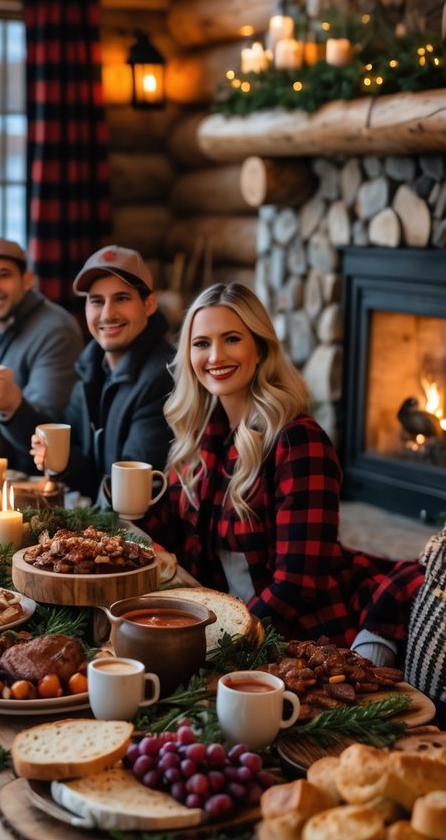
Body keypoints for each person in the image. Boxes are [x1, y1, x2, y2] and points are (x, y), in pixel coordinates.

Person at [145, 282, 423, 664]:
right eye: (201, 343)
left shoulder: (297, 440)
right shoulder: (203, 434)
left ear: (258, 348)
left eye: (231, 339)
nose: (215, 356)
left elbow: (298, 585)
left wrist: (225, 639)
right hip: (232, 624)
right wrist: (127, 498)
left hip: (305, 635)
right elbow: (179, 536)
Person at [27, 245, 174, 502]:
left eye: (122, 298)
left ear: (149, 304)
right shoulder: (90, 367)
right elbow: (72, 450)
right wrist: (55, 456)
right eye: (97, 301)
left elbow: (128, 495)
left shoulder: (163, 377)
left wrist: (65, 464)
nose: (108, 314)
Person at [0, 238, 83, 472]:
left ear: (27, 280)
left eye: (4, 275)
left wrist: (11, 405)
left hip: (36, 487)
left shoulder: (56, 331)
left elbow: (47, 433)